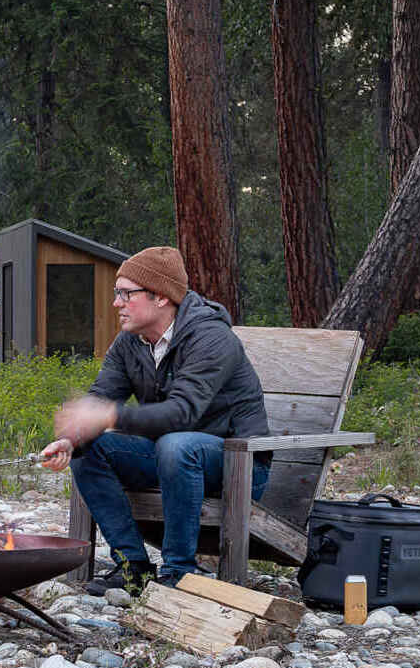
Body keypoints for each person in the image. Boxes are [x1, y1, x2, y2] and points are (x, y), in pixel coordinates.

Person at [38, 245, 271, 594]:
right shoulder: (130, 343)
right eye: (118, 294)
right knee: (91, 446)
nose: (116, 303)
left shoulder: (210, 337)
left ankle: (179, 573)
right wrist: (71, 439)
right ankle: (134, 567)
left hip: (236, 465)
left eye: (125, 294)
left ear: (161, 297)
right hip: (170, 457)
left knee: (177, 445)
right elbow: (102, 397)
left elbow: (182, 413)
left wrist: (111, 415)